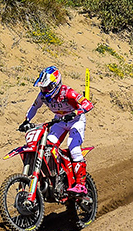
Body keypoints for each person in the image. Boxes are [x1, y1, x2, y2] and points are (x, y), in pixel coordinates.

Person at [19, 66, 94, 194]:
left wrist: (75, 112)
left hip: (76, 121)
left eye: (47, 87)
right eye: (42, 88)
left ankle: (81, 185)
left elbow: (88, 104)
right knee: (48, 147)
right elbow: (34, 107)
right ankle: (56, 175)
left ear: (56, 84)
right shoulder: (42, 96)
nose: (44, 90)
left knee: (73, 147)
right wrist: (26, 120)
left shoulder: (68, 93)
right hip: (59, 121)